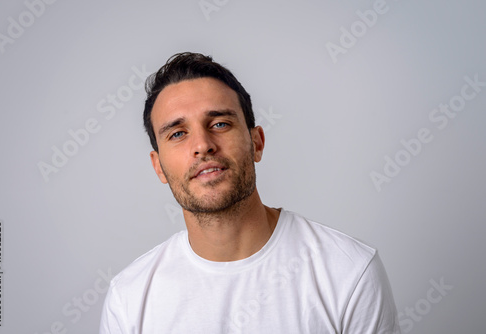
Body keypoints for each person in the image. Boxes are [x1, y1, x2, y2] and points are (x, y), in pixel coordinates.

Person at [99, 52, 400, 334]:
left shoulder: (349, 272)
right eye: (178, 133)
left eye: (220, 123)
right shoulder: (129, 299)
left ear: (256, 143)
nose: (202, 144)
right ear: (159, 167)